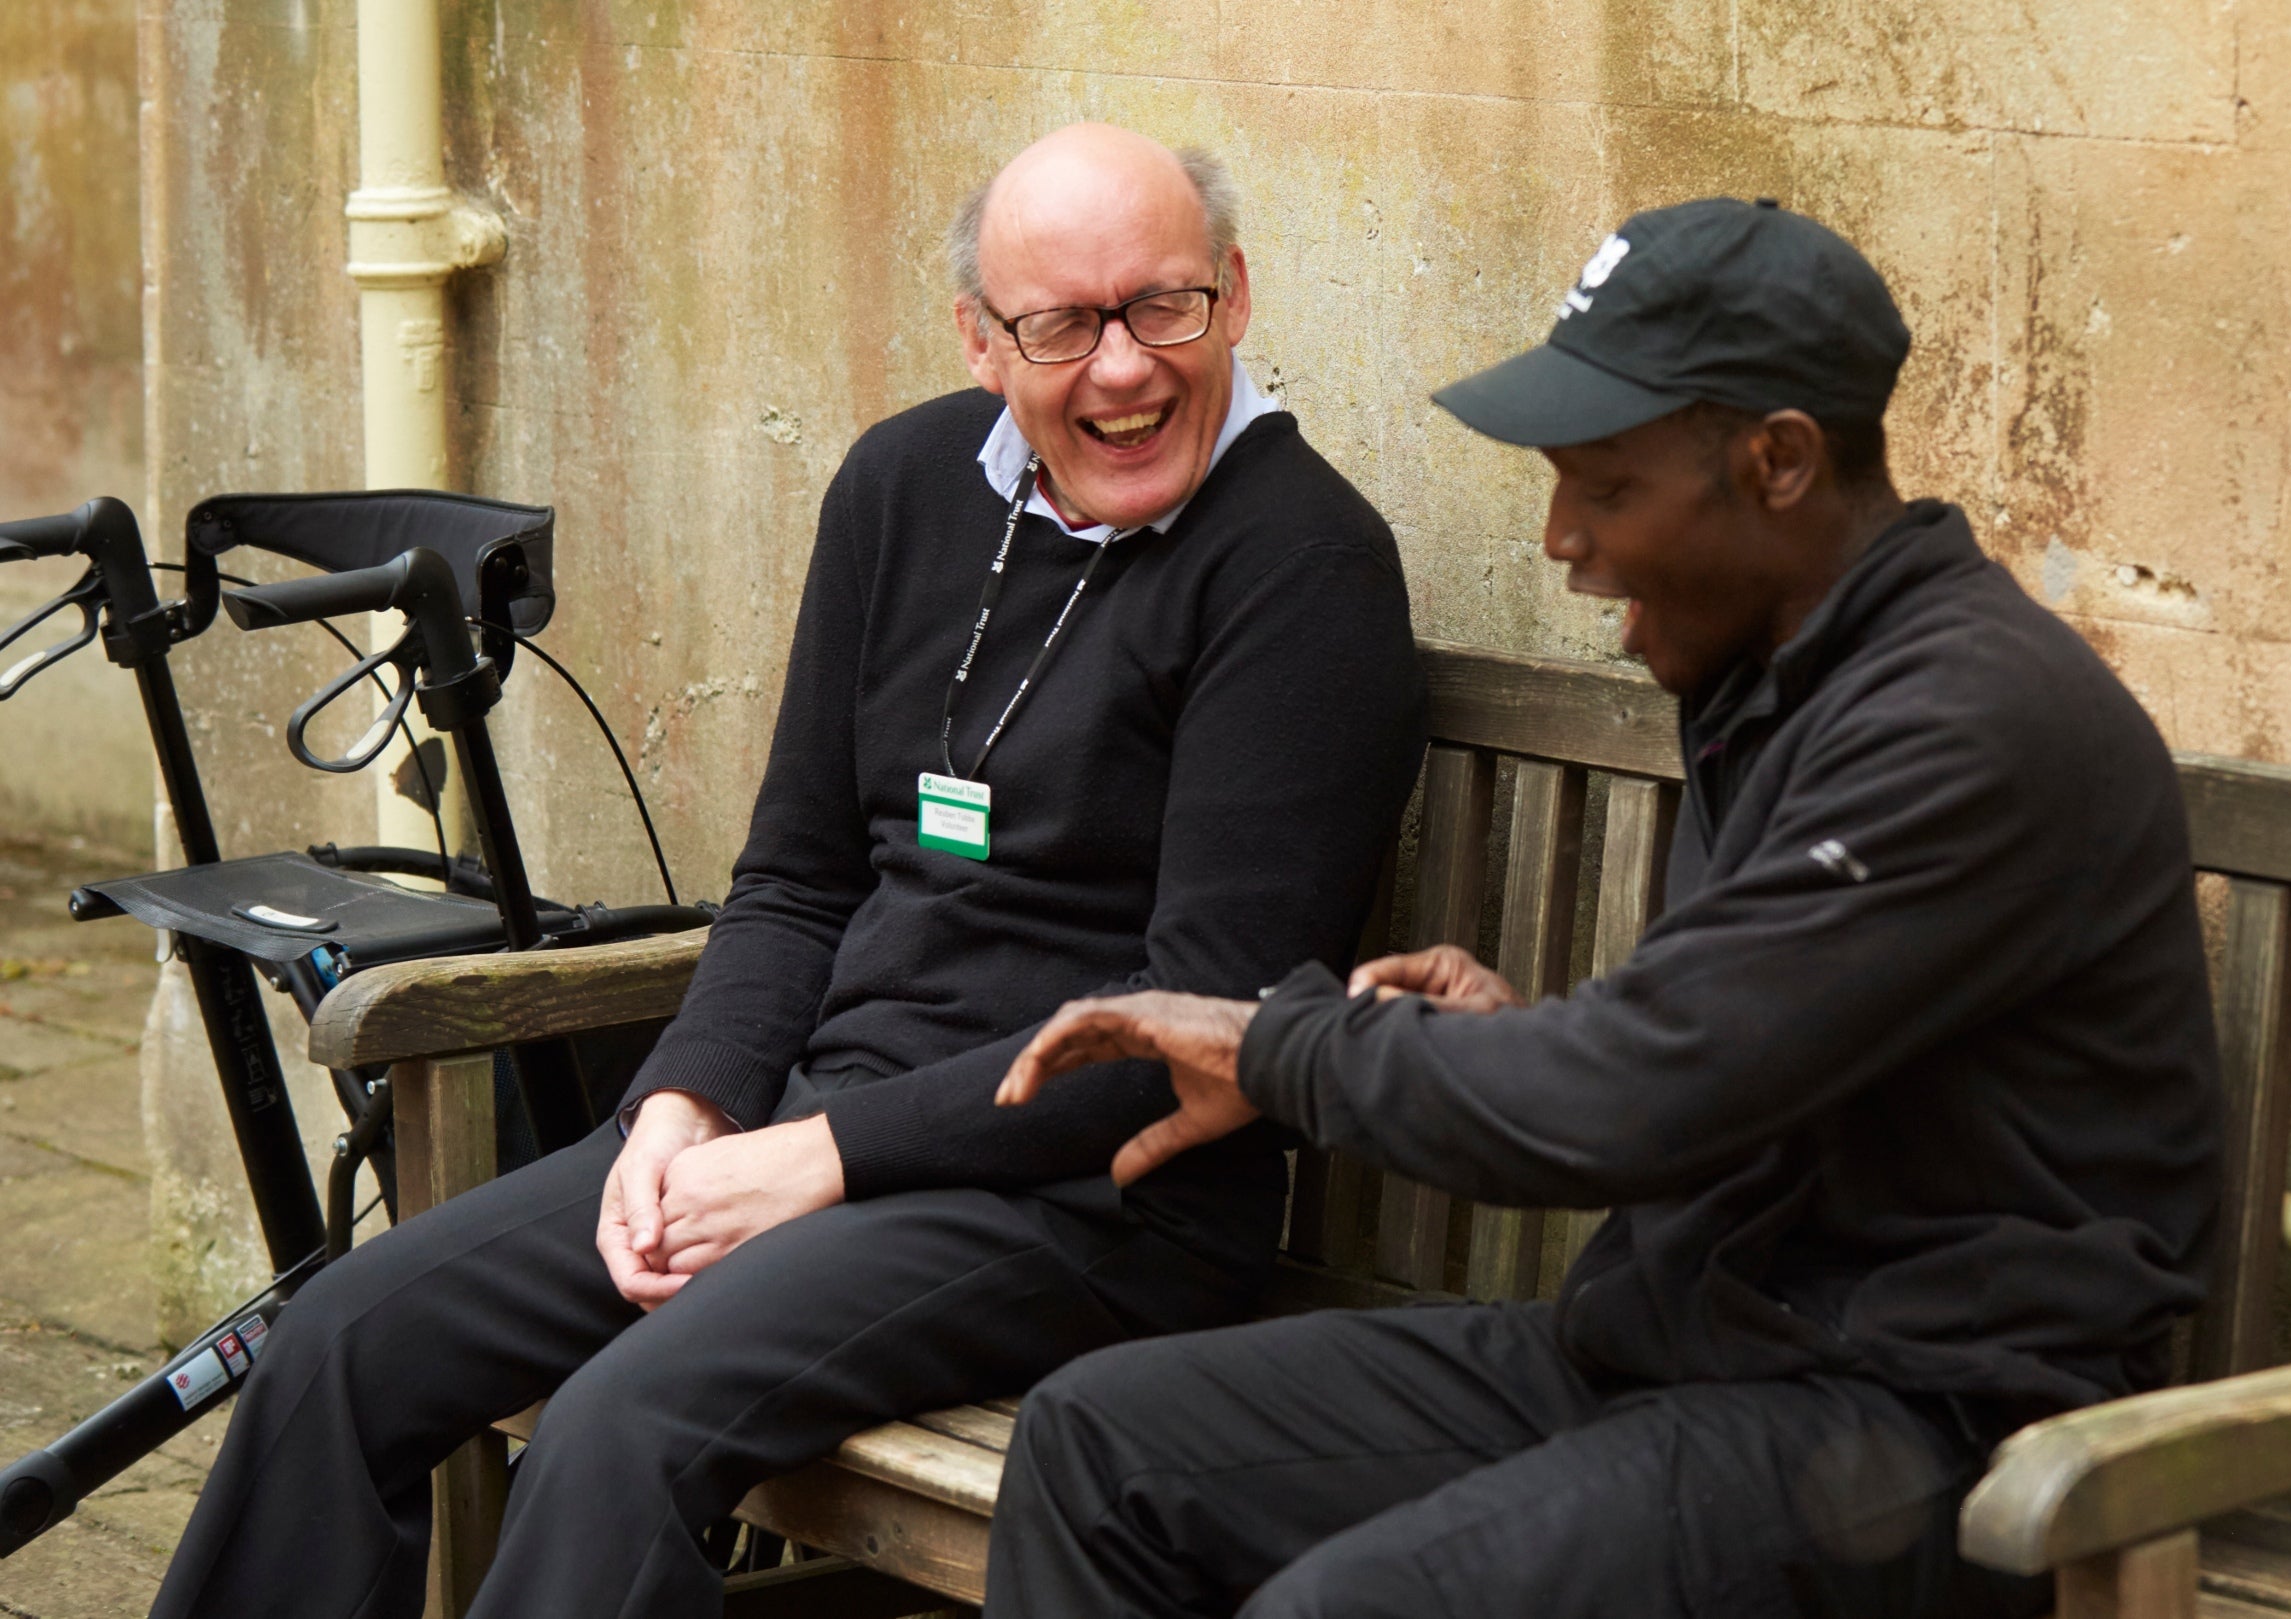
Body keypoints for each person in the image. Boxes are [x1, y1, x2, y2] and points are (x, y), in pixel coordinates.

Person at [148, 123, 1426, 1619]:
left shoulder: (1302, 562)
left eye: (1163, 305)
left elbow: (1191, 1029)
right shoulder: (901, 488)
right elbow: (797, 880)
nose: (1125, 367)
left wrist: (816, 1163)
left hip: (1089, 1203)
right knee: (345, 1340)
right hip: (810, 1129)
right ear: (981, 338)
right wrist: (681, 1105)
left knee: (622, 1428)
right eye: (1062, 325)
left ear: (1238, 296)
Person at [980, 197, 2222, 1618]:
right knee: (1099, 1445)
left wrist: (1270, 1045)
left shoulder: (1964, 724)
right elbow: (1723, 1055)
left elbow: (1635, 1098)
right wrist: (1526, 1039)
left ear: (1779, 463)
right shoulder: (1786, 679)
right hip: (1699, 1353)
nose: (1564, 537)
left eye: (1608, 487)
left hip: (1928, 1436)